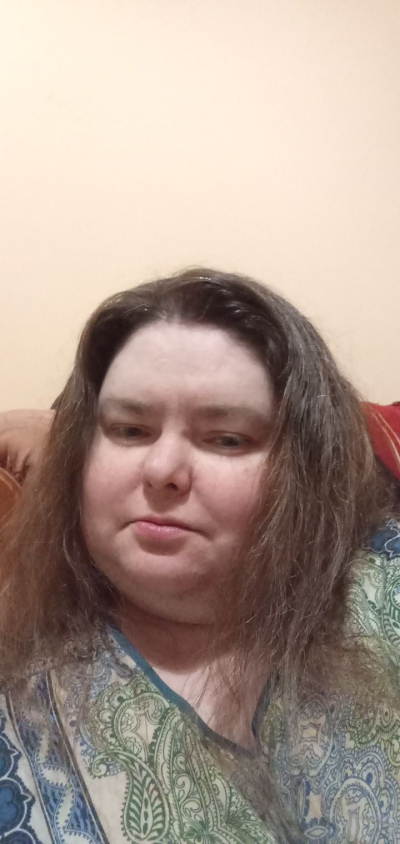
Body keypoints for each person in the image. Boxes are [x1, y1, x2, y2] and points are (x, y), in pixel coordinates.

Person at [0, 267, 399, 843]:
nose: (162, 470)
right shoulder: (20, 706)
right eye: (129, 430)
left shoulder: (382, 585)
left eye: (227, 439)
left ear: (306, 473)